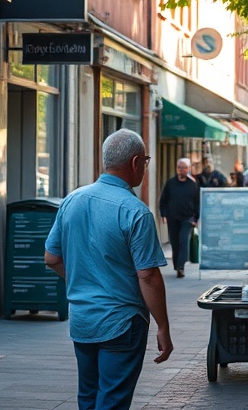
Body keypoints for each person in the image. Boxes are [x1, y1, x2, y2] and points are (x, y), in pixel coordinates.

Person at [44, 130, 172, 410]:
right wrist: (163, 326)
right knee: (112, 400)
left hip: (82, 319)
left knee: (88, 397)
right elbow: (148, 276)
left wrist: (85, 277)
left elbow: (52, 258)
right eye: (146, 161)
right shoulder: (135, 212)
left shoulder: (71, 201)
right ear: (136, 163)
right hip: (122, 322)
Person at [158, 158, 199, 278]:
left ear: (188, 169)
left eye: (184, 168)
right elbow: (163, 200)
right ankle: (177, 265)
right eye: (180, 168)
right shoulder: (171, 183)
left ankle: (181, 267)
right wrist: (163, 214)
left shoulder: (193, 185)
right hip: (172, 218)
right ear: (177, 169)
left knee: (183, 242)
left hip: (187, 218)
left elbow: (197, 203)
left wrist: (195, 218)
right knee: (175, 243)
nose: (182, 170)